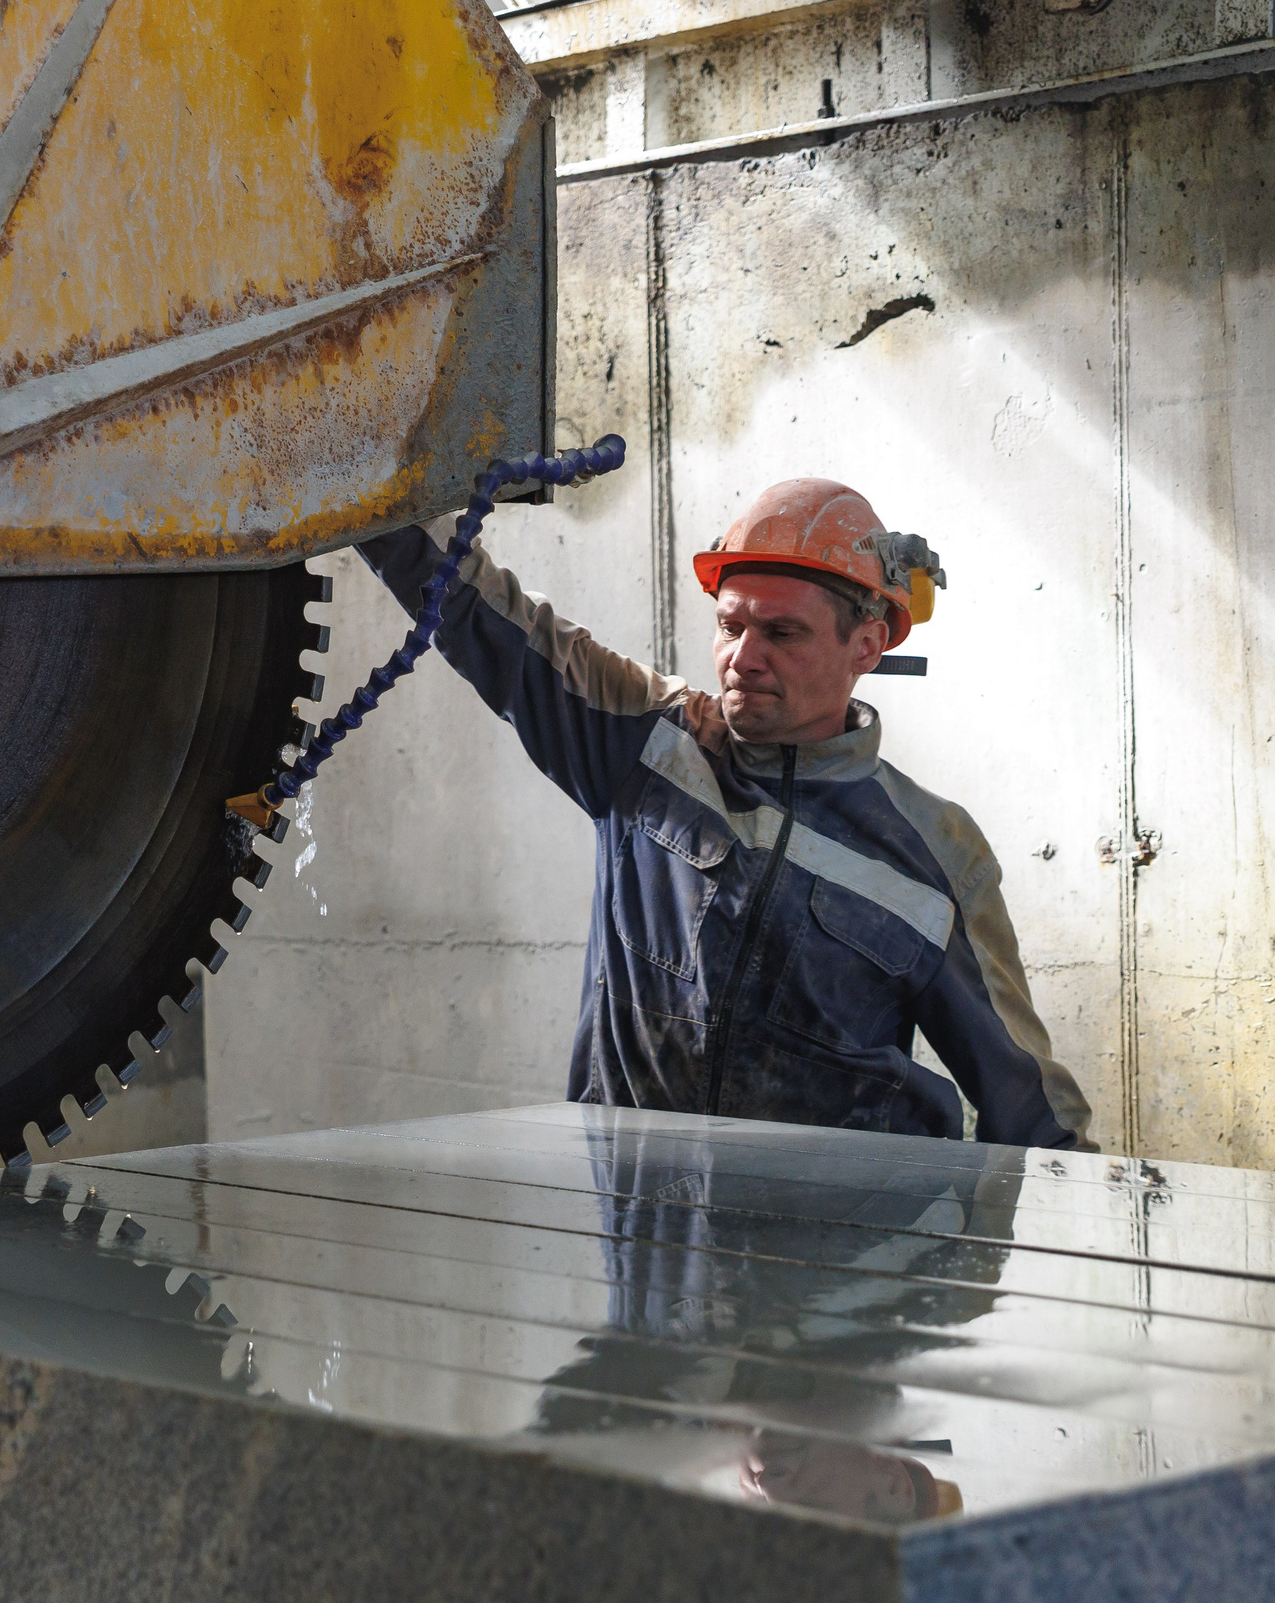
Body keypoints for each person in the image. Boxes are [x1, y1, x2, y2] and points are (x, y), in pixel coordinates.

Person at [354, 477, 1092, 1149]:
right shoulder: (643, 743)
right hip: (652, 1263)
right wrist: (352, 474)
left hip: (846, 1276)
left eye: (781, 632)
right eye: (730, 625)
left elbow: (1030, 1110)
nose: (742, 657)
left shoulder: (936, 850)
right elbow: (474, 605)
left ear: (865, 644)